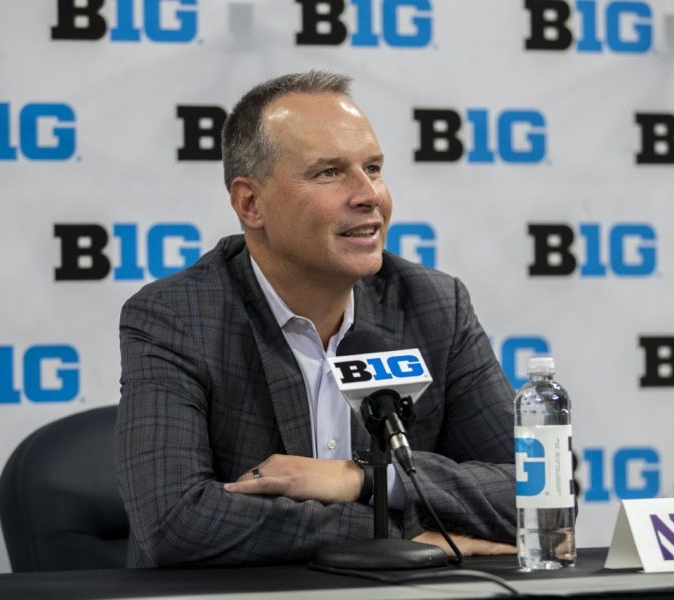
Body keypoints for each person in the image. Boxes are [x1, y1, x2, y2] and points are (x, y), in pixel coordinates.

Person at [116, 70, 517, 567]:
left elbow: (534, 492)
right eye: (329, 172)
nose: (368, 194)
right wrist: (403, 538)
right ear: (251, 203)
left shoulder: (434, 305)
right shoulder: (178, 317)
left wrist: (363, 478)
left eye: (373, 167)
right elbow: (176, 522)